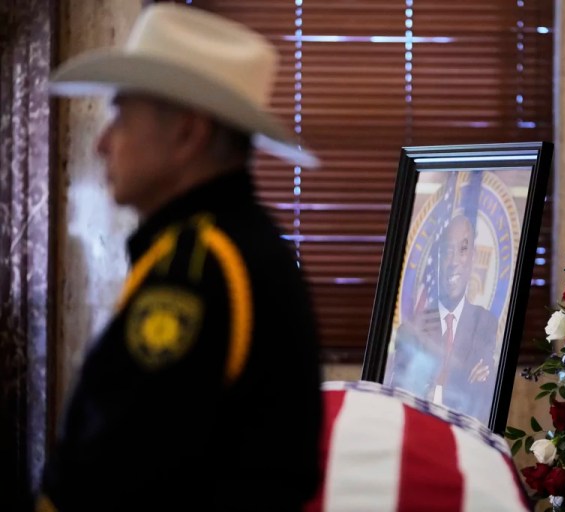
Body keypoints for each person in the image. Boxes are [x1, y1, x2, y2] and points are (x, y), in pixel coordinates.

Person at [37, 4, 322, 511]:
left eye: (121, 115)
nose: (102, 143)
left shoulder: (199, 268)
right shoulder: (228, 245)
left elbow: (116, 475)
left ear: (188, 133)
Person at [389, 214, 499, 422]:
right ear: (438, 259)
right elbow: (401, 394)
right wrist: (462, 381)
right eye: (447, 251)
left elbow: (484, 393)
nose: (454, 261)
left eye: (463, 249)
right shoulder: (412, 330)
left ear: (474, 256)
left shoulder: (484, 324)